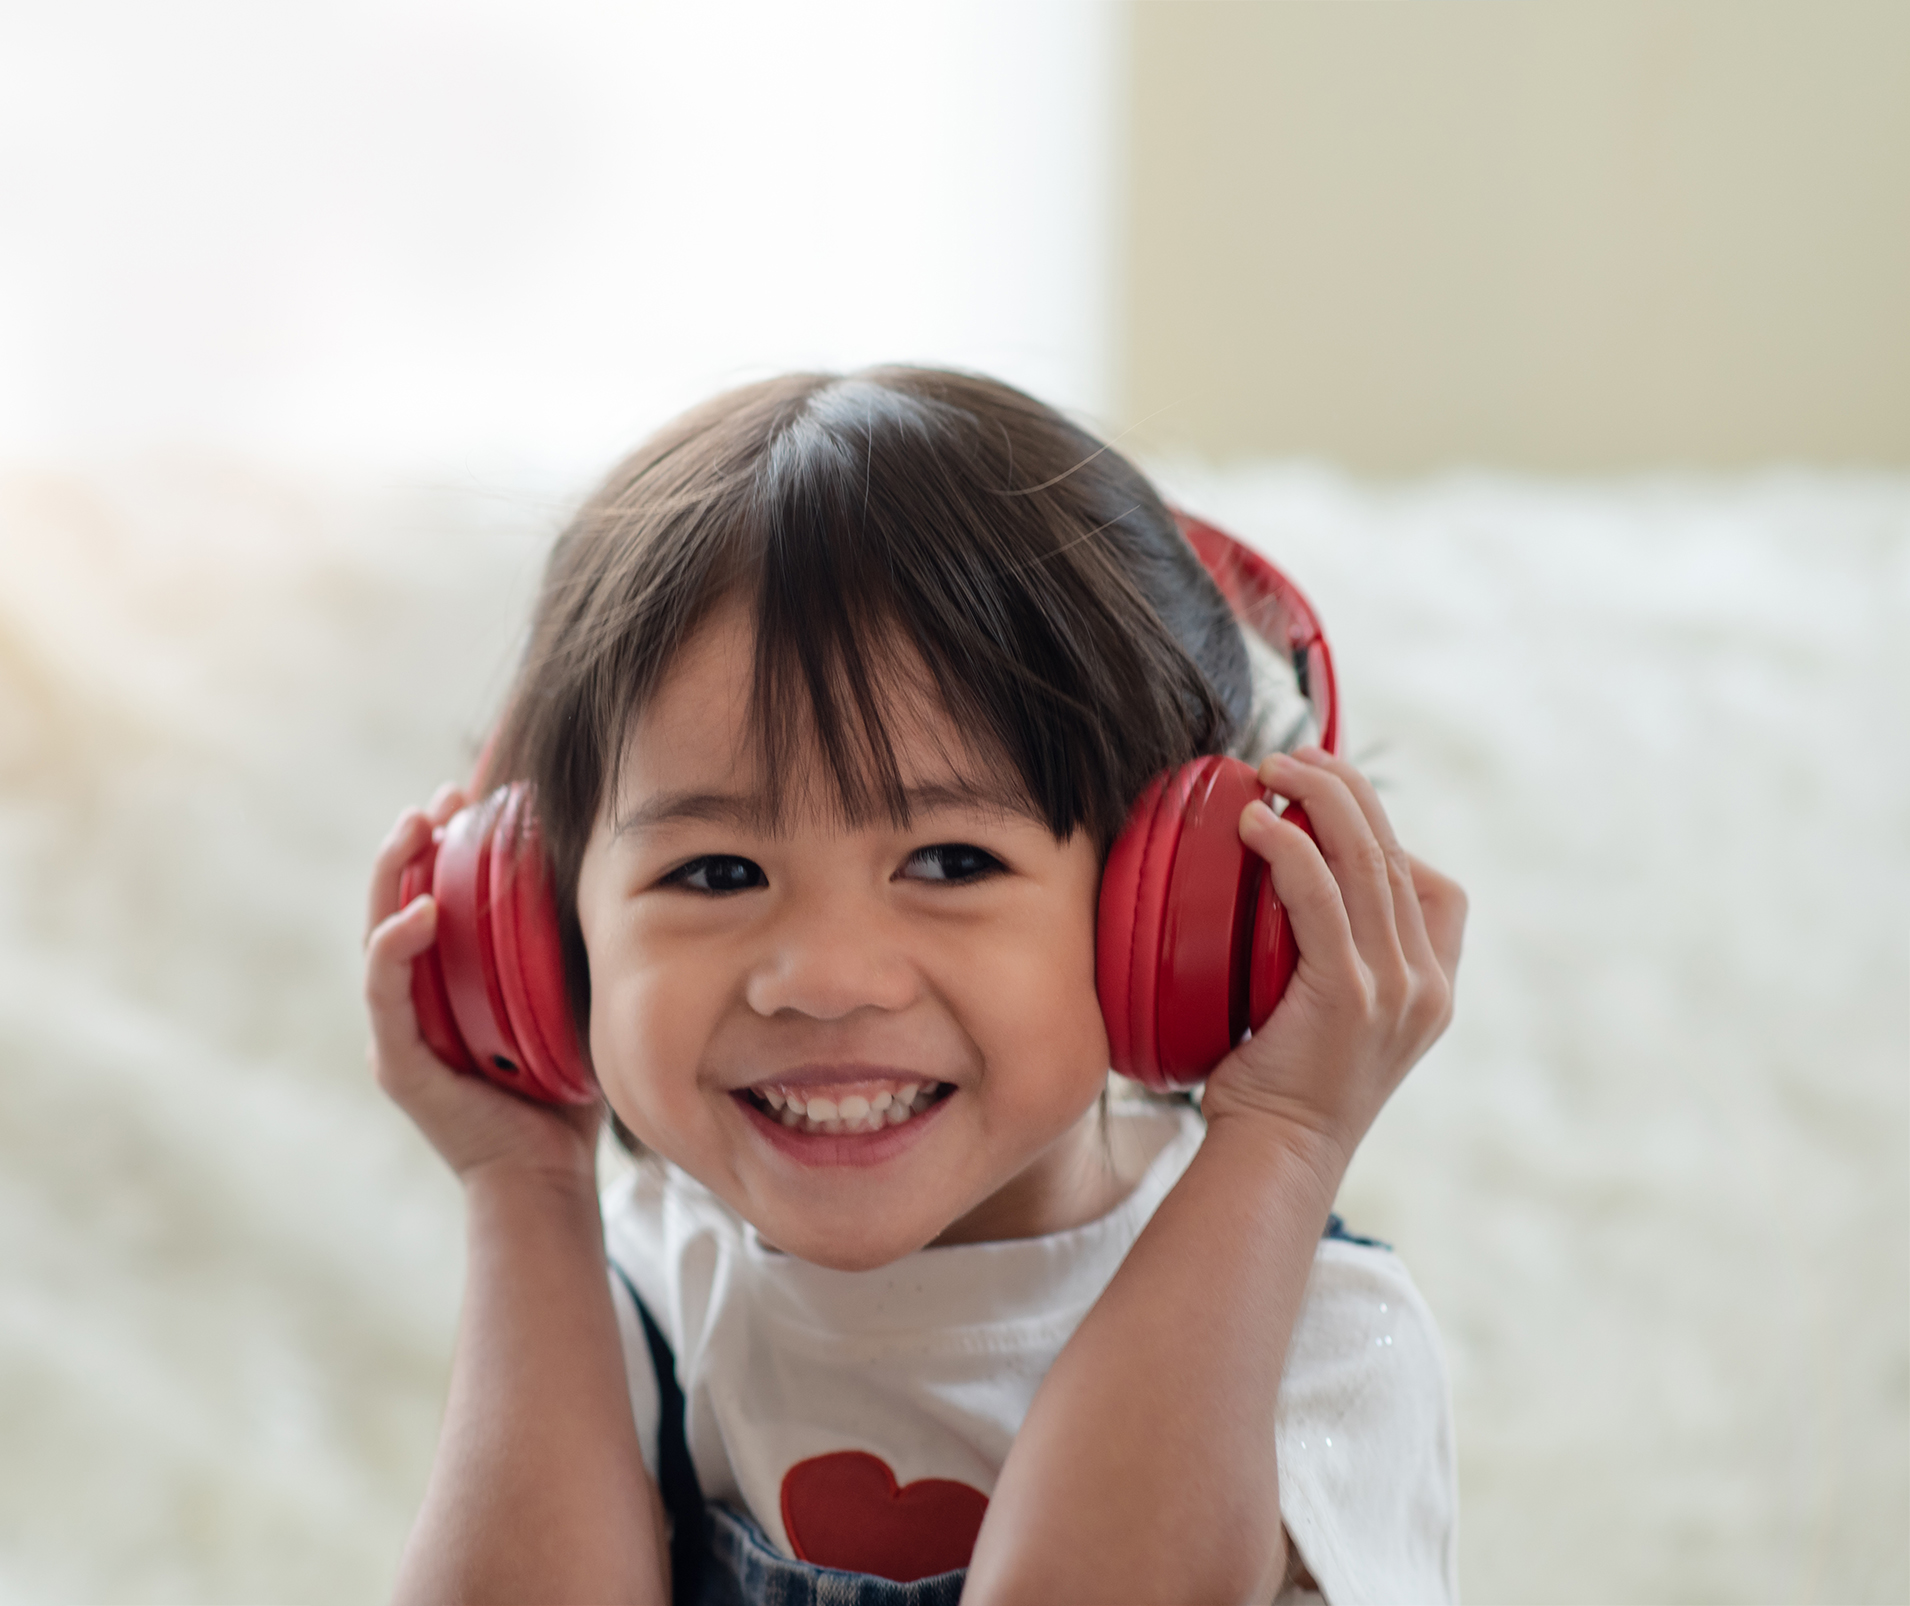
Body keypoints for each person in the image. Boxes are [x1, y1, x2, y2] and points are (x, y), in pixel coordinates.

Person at [363, 368, 1468, 1605]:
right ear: (539, 938)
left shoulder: (1312, 1336)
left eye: (950, 860)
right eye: (717, 870)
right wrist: (521, 1185)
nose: (825, 980)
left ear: (1174, 913)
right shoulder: (632, 1296)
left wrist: (1285, 1140)